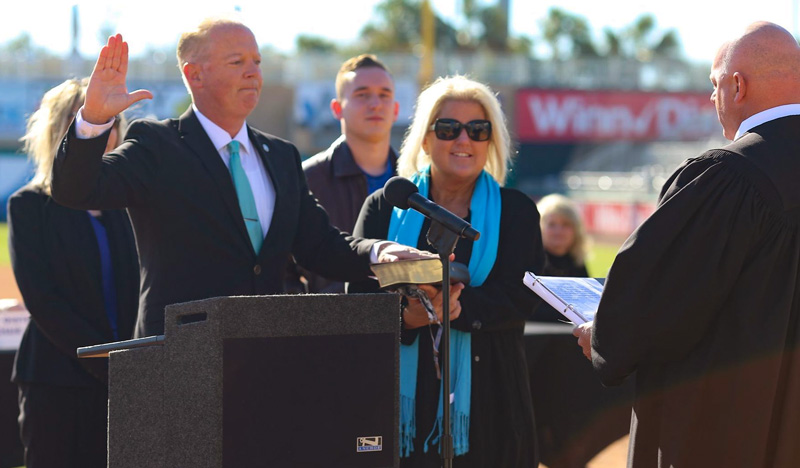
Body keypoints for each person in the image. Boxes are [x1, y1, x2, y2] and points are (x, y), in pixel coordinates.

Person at [49, 17, 425, 337]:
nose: (253, 72)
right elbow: (75, 190)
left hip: (264, 358)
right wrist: (94, 119)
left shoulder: (282, 156)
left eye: (257, 61)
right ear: (194, 74)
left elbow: (319, 245)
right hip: (178, 364)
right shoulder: (157, 144)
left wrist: (377, 252)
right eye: (237, 61)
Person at [573, 22, 800, 467]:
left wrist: (602, 336)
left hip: (721, 435)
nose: (712, 98)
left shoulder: (729, 178)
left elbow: (655, 304)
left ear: (738, 86)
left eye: (715, 85)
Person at [350, 75, 545, 467]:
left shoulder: (517, 211)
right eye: (448, 128)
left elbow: (523, 295)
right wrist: (407, 317)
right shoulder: (384, 206)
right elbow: (355, 299)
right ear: (425, 139)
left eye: (478, 130)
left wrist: (455, 309)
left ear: (490, 141)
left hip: (490, 399)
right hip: (396, 397)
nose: (464, 140)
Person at [8, 78, 139, 468]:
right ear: (59, 128)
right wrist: (106, 361)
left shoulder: (130, 206)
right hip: (57, 382)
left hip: (129, 381)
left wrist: (129, 366)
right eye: (88, 119)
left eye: (111, 121)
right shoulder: (29, 205)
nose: (104, 130)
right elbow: (43, 300)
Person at [298, 54, 399, 293]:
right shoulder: (307, 179)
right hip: (331, 315)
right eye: (362, 94)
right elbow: (285, 270)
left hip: (409, 314)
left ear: (396, 110)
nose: (375, 104)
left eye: (384, 95)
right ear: (337, 108)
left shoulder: (416, 180)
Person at [532, 193, 590, 322]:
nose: (558, 231)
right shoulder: (530, 264)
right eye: (551, 224)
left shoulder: (577, 263)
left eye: (566, 224)